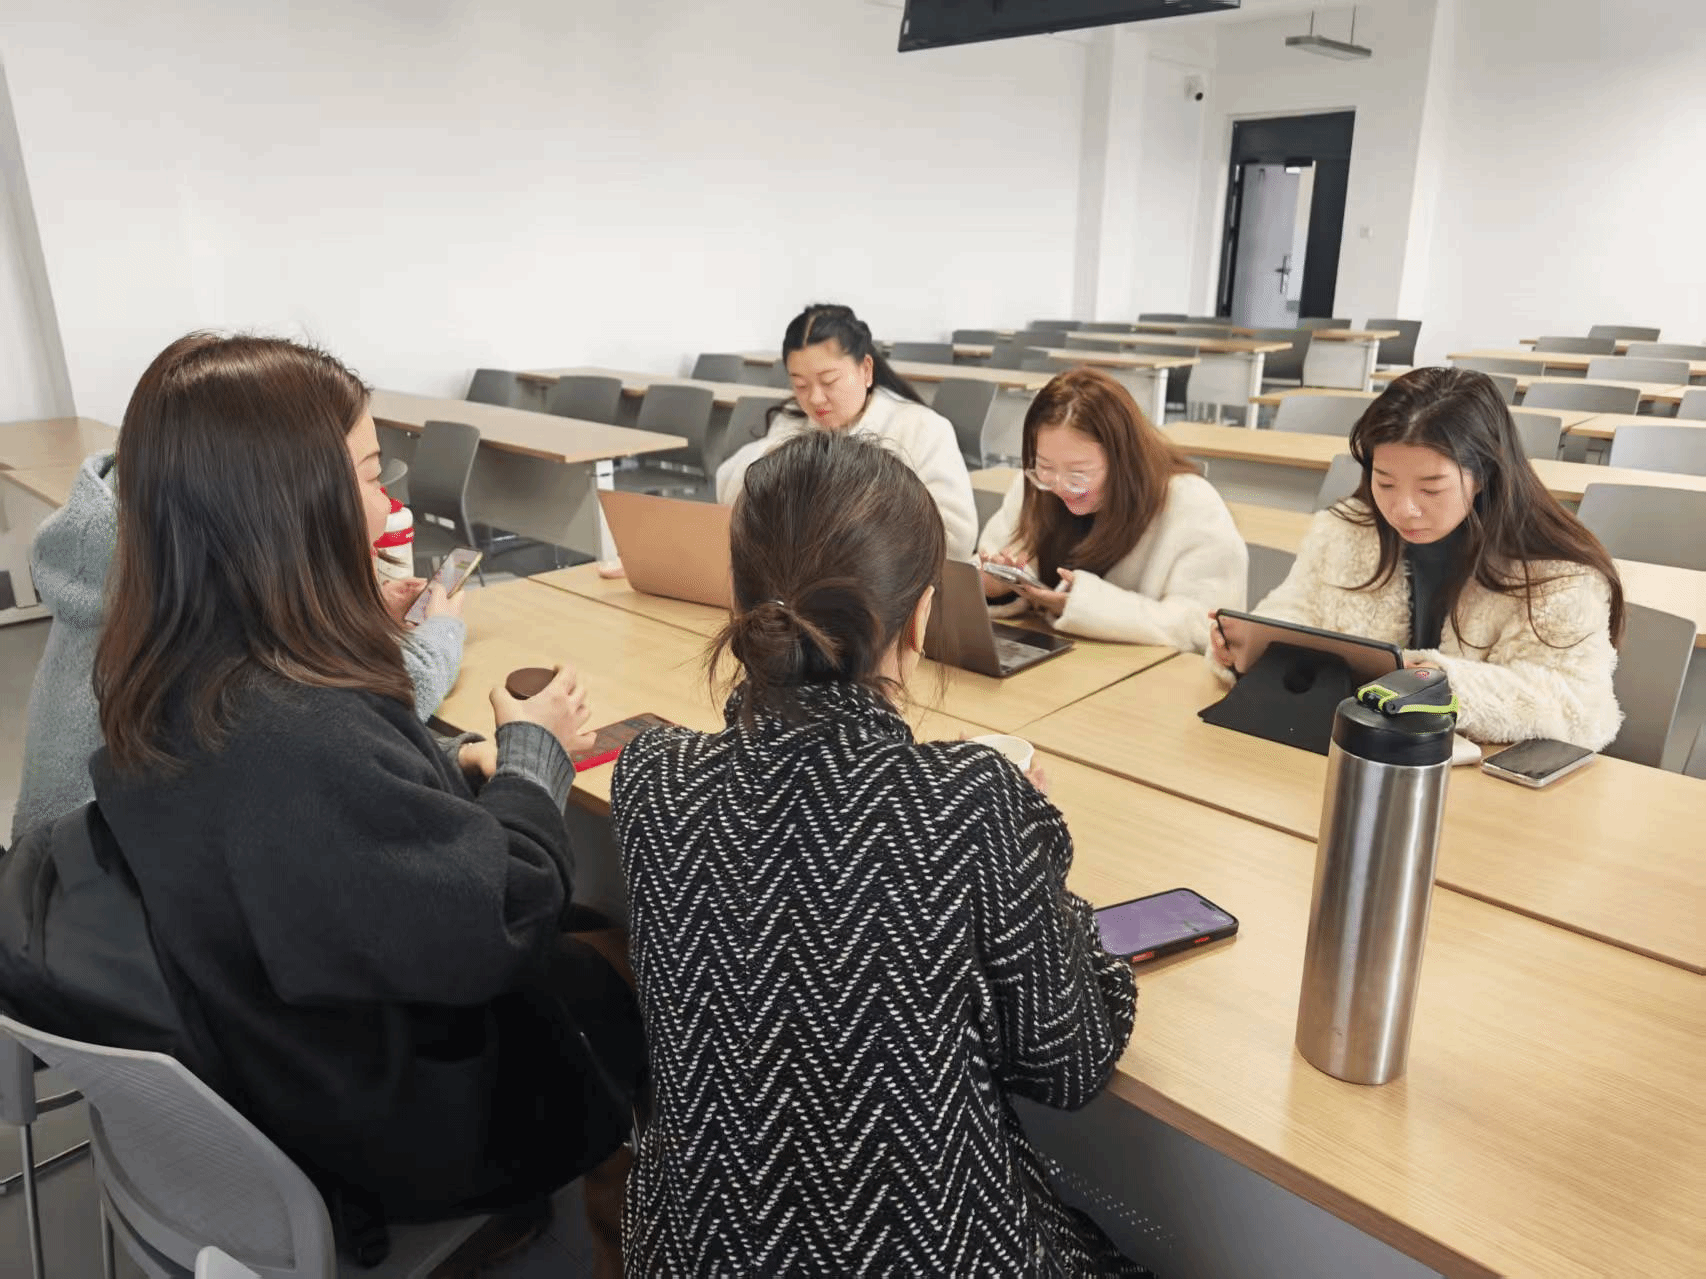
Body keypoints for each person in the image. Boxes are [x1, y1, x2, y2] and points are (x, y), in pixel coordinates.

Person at [72, 334, 643, 1261]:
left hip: (282, 1063)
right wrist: (533, 752)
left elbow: (341, 809)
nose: (390, 506)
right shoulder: (295, 733)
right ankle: (621, 1226)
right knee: (641, 964)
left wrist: (446, 763)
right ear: (290, 505)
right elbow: (504, 918)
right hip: (398, 1117)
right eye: (374, 476)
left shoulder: (167, 671)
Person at [613, 430, 1146, 1277]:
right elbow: (1071, 1061)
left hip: (694, 1253)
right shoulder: (972, 800)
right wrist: (1026, 843)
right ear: (922, 617)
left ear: (740, 602)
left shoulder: (654, 777)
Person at [10, 427, 464, 842]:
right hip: (120, 882)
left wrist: (351, 612)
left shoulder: (137, 541)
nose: (387, 506)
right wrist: (437, 639)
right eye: (373, 477)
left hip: (66, 872)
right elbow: (327, 731)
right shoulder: (190, 601)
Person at [1209, 366, 1624, 748]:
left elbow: (1579, 708)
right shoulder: (1345, 530)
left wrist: (1433, 683)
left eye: (1430, 489)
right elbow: (1296, 614)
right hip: (1351, 752)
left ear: (1484, 474)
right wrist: (1248, 651)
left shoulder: (1557, 574)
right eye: (1385, 483)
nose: (1403, 509)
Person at [979, 366, 1247, 652]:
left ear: (1123, 460)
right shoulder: (1035, 488)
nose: (1060, 486)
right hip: (1061, 661)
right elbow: (992, 557)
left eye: (1078, 473)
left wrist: (1084, 607)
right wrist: (995, 588)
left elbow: (1204, 625)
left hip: (1147, 671)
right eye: (1045, 466)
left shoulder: (1191, 505)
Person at [715, 302, 979, 560]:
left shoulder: (921, 428)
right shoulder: (793, 421)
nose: (815, 398)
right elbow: (732, 494)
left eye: (829, 381)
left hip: (886, 578)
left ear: (866, 370)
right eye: (801, 385)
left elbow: (956, 539)